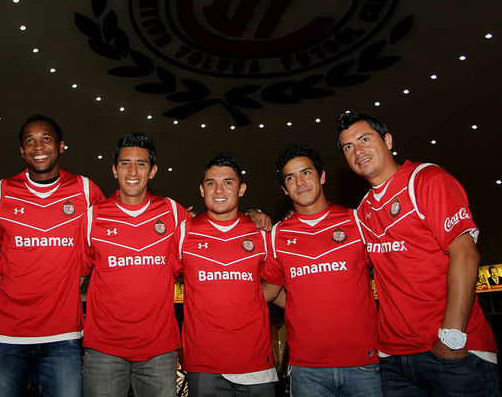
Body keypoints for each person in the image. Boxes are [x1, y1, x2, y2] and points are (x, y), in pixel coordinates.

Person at [337, 111, 499, 397]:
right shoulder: (363, 211)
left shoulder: (426, 179)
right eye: (348, 147)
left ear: (388, 140)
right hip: (393, 359)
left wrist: (451, 336)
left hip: (452, 352)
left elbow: (465, 254)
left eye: (364, 139)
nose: (357, 151)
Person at [0, 114, 104, 397]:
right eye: (30, 141)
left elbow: (112, 236)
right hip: (4, 335)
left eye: (46, 139)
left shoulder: (86, 190)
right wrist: (6, 272)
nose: (38, 147)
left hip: (62, 337)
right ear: (22, 151)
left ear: (61, 146)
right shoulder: (2, 191)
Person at [261, 145, 381, 397]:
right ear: (284, 188)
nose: (300, 182)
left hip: (363, 363)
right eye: (290, 177)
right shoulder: (277, 235)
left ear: (322, 176)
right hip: (306, 368)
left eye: (306, 173)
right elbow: (270, 290)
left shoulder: (357, 221)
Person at [81, 132, 191, 397]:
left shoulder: (173, 213)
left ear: (152, 170)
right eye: (125, 163)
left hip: (159, 351)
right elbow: (74, 275)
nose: (132, 171)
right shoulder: (93, 217)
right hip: (104, 351)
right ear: (114, 170)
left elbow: (212, 233)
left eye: (141, 164)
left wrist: (253, 215)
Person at [173, 152, 277, 397]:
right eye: (211, 183)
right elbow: (161, 279)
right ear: (202, 190)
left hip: (256, 363)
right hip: (204, 364)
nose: (219, 190)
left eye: (228, 182)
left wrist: (244, 302)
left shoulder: (262, 233)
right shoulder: (184, 232)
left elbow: (274, 285)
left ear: (241, 189)